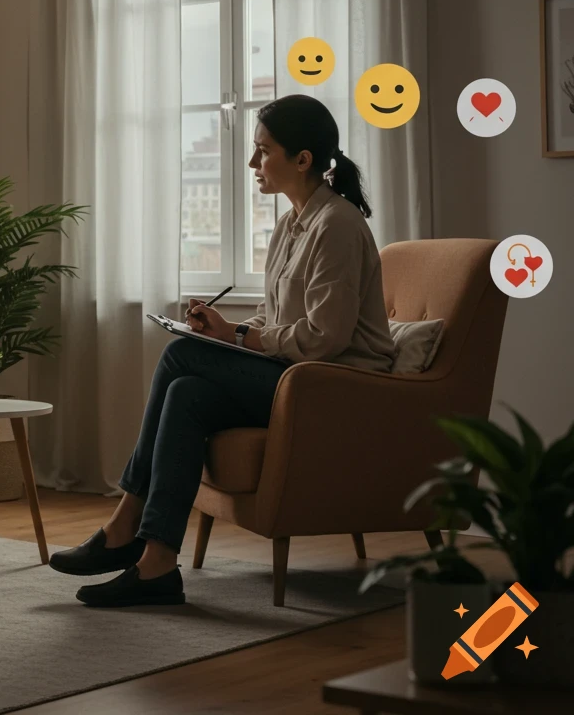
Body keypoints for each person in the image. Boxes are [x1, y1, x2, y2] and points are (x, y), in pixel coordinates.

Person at [50, 94, 397, 606]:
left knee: (179, 357)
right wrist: (223, 328)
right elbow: (274, 318)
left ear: (303, 159)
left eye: (264, 151)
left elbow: (326, 338)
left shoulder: (337, 226)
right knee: (186, 392)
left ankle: (124, 527)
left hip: (333, 386)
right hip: (294, 376)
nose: (253, 162)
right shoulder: (291, 224)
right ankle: (157, 564)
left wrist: (236, 337)